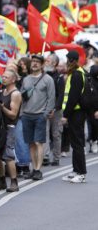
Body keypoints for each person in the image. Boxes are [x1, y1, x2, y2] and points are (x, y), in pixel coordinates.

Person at [19, 54, 55, 180]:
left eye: (37, 62)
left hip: (40, 115)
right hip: (27, 115)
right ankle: (33, 168)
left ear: (42, 64)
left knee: (38, 142)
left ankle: (38, 169)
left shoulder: (48, 79)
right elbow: (22, 97)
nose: (34, 63)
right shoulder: (26, 79)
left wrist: (46, 113)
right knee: (30, 144)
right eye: (33, 61)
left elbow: (51, 98)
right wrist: (22, 113)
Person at [0, 69, 22, 192]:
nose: (3, 78)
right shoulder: (2, 91)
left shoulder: (15, 94)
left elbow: (13, 115)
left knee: (8, 155)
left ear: (13, 79)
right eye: (3, 76)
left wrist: (2, 107)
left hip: (9, 127)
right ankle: (2, 181)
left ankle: (14, 182)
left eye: (6, 77)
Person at [61, 50, 89, 183]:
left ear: (71, 60)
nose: (66, 62)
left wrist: (65, 114)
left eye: (67, 59)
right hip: (76, 113)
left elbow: (73, 96)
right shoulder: (78, 73)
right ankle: (75, 170)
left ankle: (81, 173)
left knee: (77, 144)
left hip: (76, 113)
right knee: (75, 143)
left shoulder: (77, 74)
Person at [44, 53, 65, 166]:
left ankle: (56, 157)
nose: (46, 62)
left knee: (56, 134)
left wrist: (55, 108)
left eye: (48, 61)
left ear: (54, 63)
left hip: (56, 110)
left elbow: (61, 95)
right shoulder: (43, 76)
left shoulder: (59, 78)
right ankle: (46, 156)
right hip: (44, 108)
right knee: (45, 132)